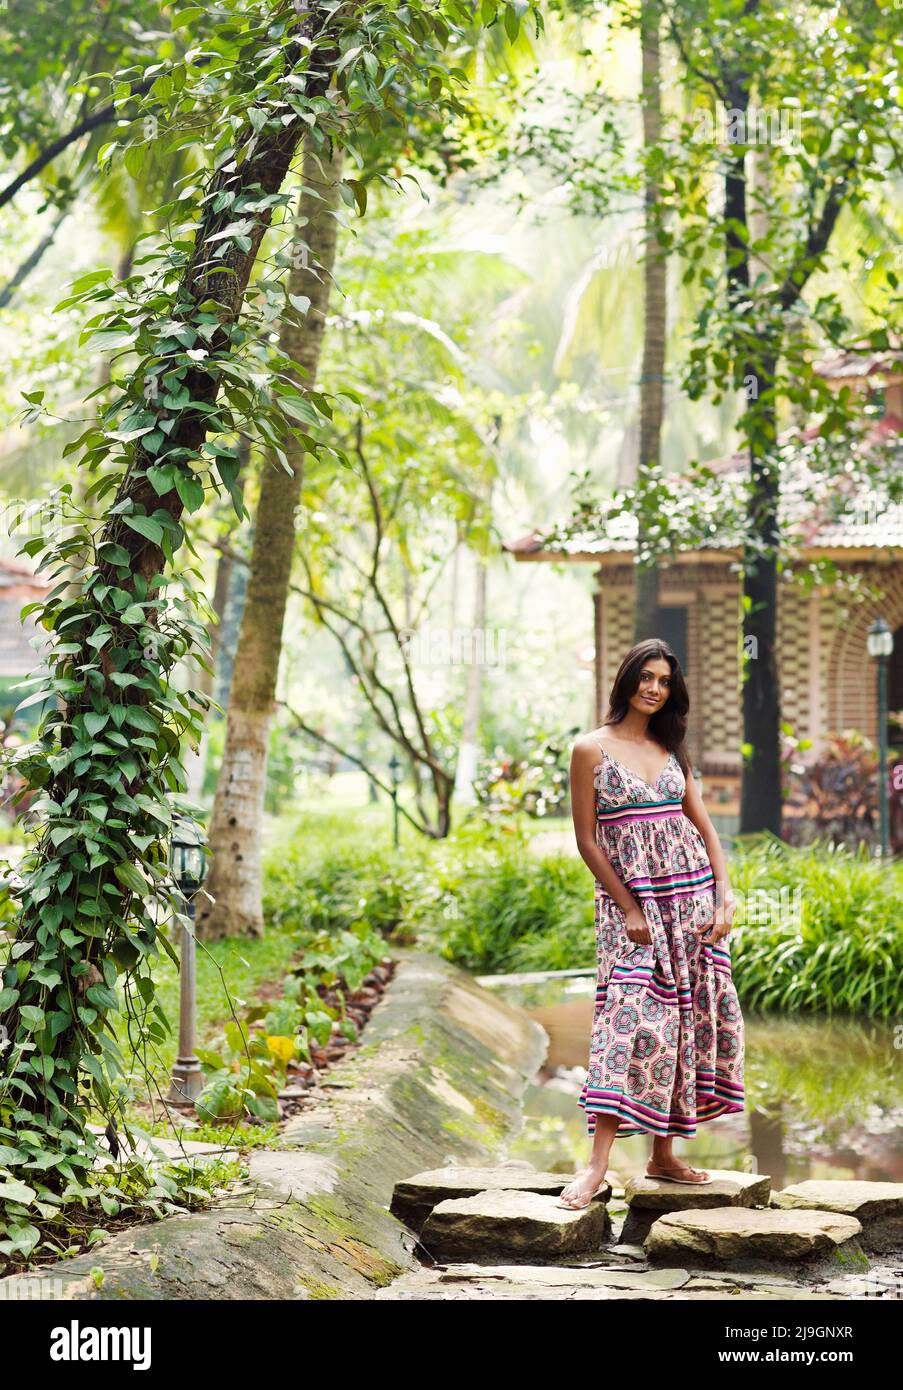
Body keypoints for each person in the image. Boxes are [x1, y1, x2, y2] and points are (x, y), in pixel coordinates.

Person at [558, 638, 745, 1209]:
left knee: (683, 1021)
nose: (654, 687)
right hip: (633, 912)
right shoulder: (590, 749)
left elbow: (706, 829)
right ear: (627, 680)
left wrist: (725, 896)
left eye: (664, 680)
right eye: (646, 676)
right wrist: (630, 907)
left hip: (690, 905)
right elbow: (588, 841)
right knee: (629, 1020)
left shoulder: (672, 750)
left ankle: (664, 1156)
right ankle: (596, 1167)